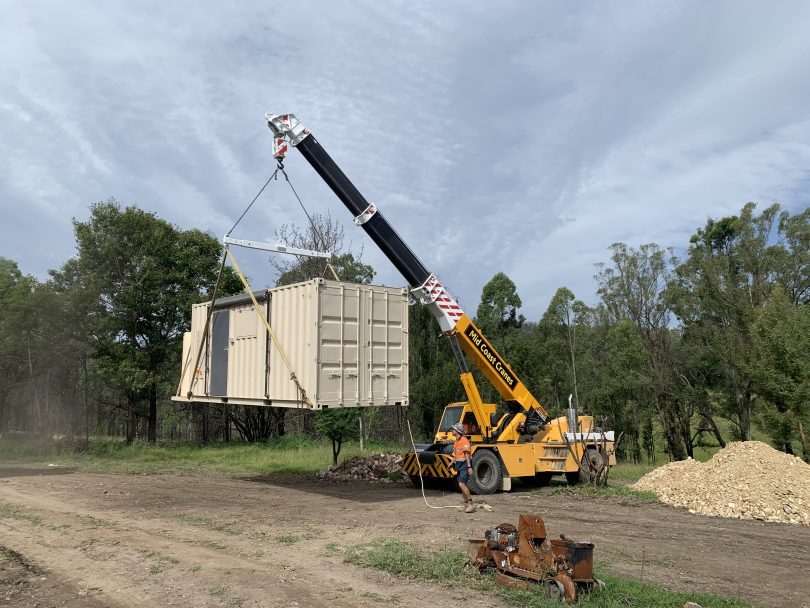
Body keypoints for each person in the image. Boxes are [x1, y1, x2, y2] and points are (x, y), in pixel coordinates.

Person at [450, 422, 475, 513]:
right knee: (461, 485)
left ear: (457, 431)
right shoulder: (457, 441)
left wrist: (469, 467)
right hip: (459, 465)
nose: (452, 430)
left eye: (453, 429)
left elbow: (467, 455)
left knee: (462, 484)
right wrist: (450, 463)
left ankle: (471, 504)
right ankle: (465, 504)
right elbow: (456, 455)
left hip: (465, 464)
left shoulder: (464, 440)